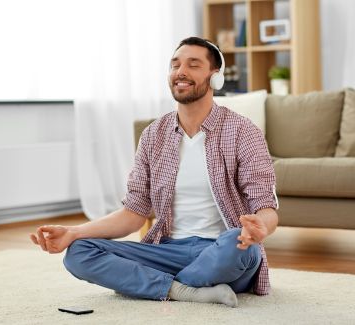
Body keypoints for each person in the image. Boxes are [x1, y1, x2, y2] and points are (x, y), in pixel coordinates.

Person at [30, 36, 278, 308]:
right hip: (167, 250)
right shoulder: (153, 135)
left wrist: (259, 229)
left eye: (193, 64)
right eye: (175, 65)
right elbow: (133, 214)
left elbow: (265, 207)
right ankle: (185, 290)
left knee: (238, 246)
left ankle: (150, 283)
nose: (180, 72)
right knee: (78, 253)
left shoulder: (243, 131)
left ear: (215, 77)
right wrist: (74, 232)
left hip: (224, 249)